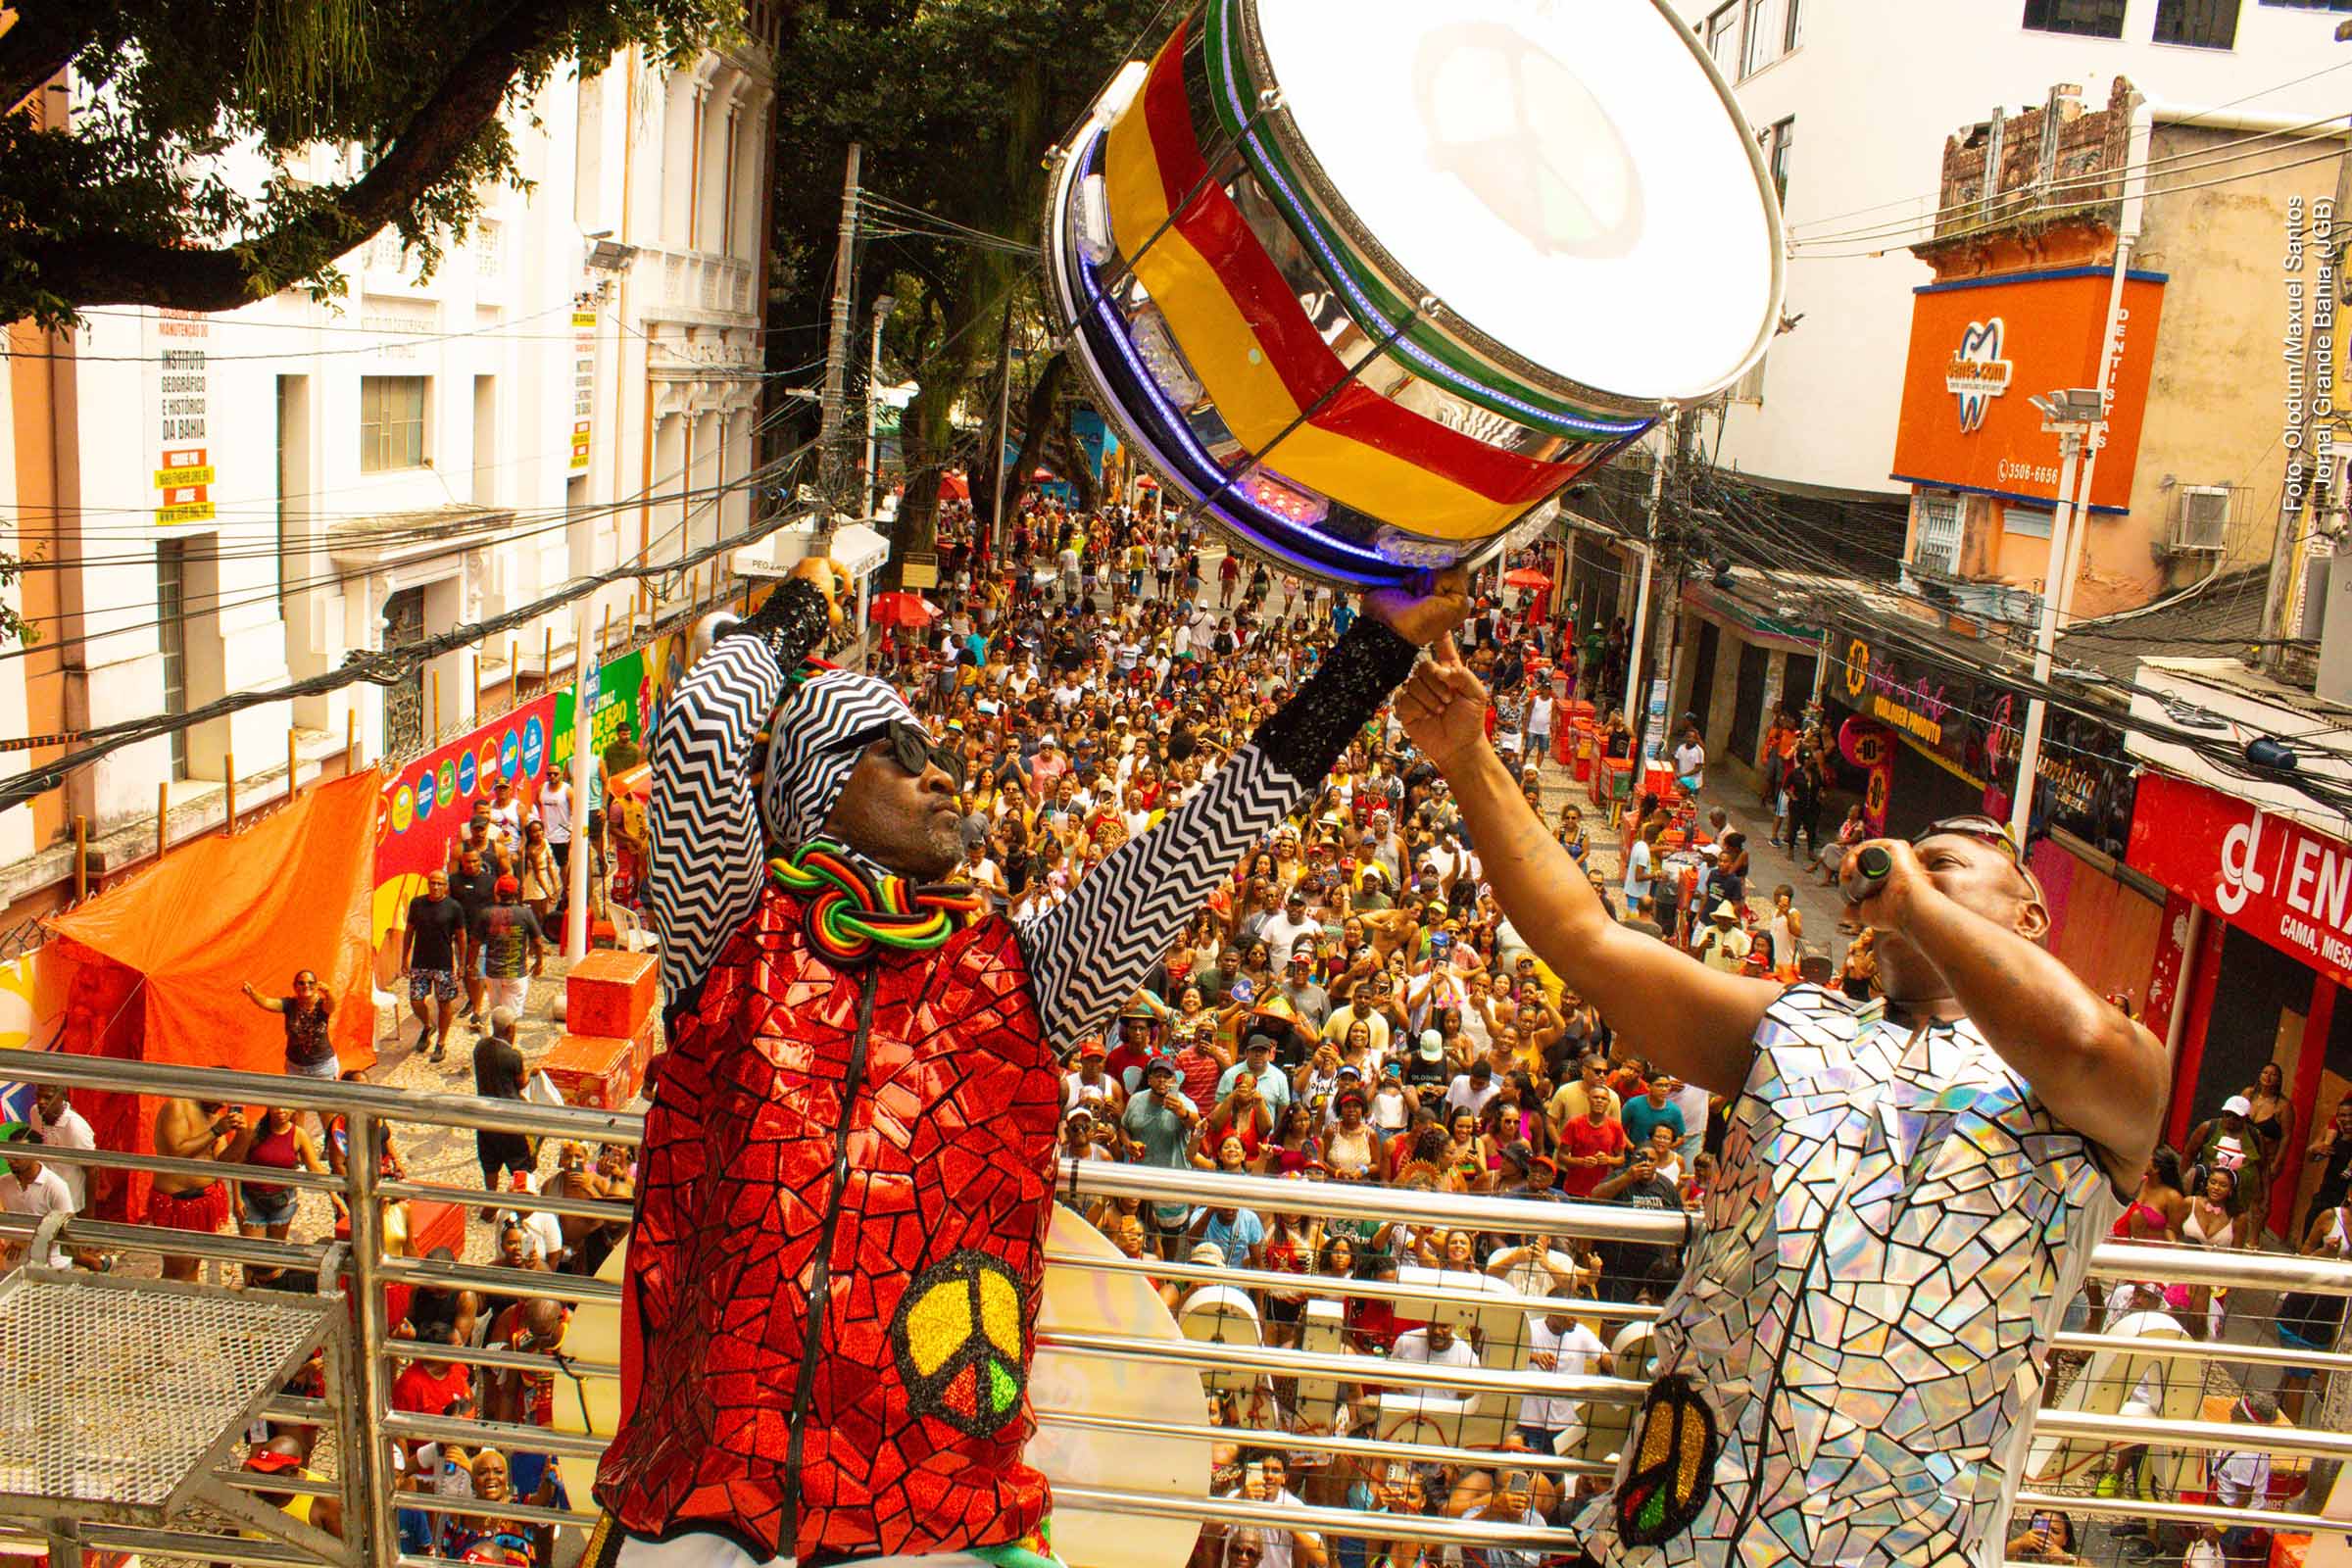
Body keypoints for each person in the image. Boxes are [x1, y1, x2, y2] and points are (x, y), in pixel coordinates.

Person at [596, 556, 1467, 1566]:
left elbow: (1211, 829)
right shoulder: (735, 934)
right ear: (812, 786)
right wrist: (803, 610)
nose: (941, 772)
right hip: (710, 1505)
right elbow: (704, 727)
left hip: (929, 1522)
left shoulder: (1021, 976)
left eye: (941, 752)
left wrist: (1374, 655)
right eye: (894, 748)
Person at [1396, 638, 2165, 1566]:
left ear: (2031, 919)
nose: (1910, 865)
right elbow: (1588, 940)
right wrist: (1469, 757)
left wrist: (1916, 903)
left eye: (1947, 861)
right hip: (1683, 1530)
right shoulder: (1795, 1025)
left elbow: (2084, 1045)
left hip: (1902, 1543)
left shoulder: (2088, 1092)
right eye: (1907, 859)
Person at [148, 1096, 255, 1281]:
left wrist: (244, 1135)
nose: (221, 1105)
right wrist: (216, 1131)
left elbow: (224, 1161)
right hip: (177, 1202)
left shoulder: (214, 1118)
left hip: (206, 1200)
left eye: (225, 1102)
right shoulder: (178, 1106)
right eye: (219, 1099)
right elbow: (177, 1152)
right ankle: (171, 1305)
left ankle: (188, 1303)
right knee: (177, 1268)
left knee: (194, 1261)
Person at [473, 1008, 537, 1210]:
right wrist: (532, 1072)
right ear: (511, 1029)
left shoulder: (480, 1047)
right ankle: (521, 1203)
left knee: (490, 1161)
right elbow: (521, 1083)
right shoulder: (512, 1055)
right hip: (511, 1118)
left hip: (485, 1114)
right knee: (520, 1163)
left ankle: (490, 1202)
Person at [406, 869, 468, 1061]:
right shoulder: (417, 904)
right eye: (433, 883)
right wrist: (404, 958)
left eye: (440, 883)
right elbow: (409, 931)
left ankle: (441, 1042)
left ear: (446, 886)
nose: (436, 887)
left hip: (443, 963)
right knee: (416, 1001)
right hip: (420, 962)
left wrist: (462, 963)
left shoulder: (454, 907)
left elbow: (461, 936)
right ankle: (427, 1025)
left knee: (444, 1004)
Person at [240, 970, 338, 1085]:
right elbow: (267, 1003)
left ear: (317, 985)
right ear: (295, 986)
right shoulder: (289, 1004)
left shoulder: (323, 1004)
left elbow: (332, 1007)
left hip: (323, 1068)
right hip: (295, 1068)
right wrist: (252, 993)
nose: (306, 986)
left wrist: (328, 992)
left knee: (322, 1102)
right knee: (295, 1102)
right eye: (301, 983)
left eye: (310, 983)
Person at [471, 876, 548, 1022]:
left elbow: (475, 943)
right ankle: (507, 1042)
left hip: (493, 973)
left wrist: (471, 965)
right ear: (517, 893)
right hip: (516, 973)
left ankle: (497, 1040)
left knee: (497, 1014)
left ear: (496, 892)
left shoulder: (486, 913)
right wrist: (539, 963)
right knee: (510, 1018)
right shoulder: (525, 914)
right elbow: (537, 942)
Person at [0, 1125, 75, 1268]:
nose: (10, 1160)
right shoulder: (4, 1183)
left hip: (53, 1267)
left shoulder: (55, 1186)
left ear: (36, 1154)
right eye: (9, 1154)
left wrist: (27, 1239)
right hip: (14, 1266)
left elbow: (67, 1229)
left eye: (17, 1156)